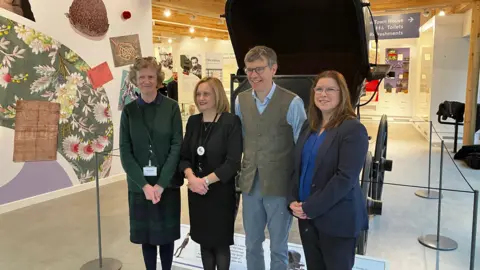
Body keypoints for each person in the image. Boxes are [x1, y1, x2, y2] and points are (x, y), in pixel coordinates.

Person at [234, 45, 307, 270]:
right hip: (251, 185)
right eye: (249, 70)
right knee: (251, 244)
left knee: (279, 246)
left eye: (259, 69)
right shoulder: (241, 101)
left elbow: (301, 148)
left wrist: (297, 190)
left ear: (273, 69)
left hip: (279, 187)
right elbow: (242, 140)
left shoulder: (293, 102)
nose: (254, 75)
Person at [287, 70, 369, 270]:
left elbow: (345, 178)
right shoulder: (310, 126)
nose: (323, 94)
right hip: (307, 219)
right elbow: (297, 167)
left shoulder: (352, 129)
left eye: (330, 89)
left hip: (337, 220)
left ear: (342, 94)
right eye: (319, 89)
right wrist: (292, 200)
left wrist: (310, 207)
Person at [119, 56, 183, 270]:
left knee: (166, 236)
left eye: (151, 76)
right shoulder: (129, 112)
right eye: (142, 77)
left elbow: (176, 146)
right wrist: (145, 186)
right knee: (146, 236)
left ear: (158, 80)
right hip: (140, 186)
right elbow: (126, 153)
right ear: (135, 80)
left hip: (167, 185)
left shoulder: (172, 109)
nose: (146, 81)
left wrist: (161, 184)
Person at [179, 77, 243, 270]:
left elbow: (232, 163)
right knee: (204, 243)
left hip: (220, 192)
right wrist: (191, 178)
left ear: (217, 95)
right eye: (198, 94)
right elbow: (183, 158)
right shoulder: (193, 122)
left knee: (220, 244)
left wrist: (204, 181)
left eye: (206, 93)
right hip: (196, 192)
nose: (201, 98)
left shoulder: (230, 122)